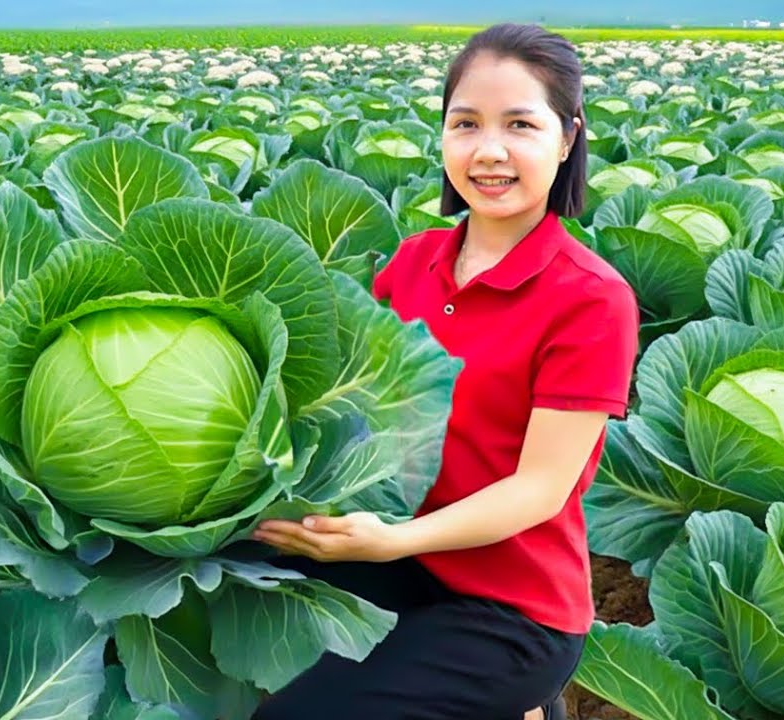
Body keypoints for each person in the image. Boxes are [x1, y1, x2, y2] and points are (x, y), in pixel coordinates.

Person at [250, 23, 640, 720]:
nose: (489, 151)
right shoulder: (415, 261)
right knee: (217, 570)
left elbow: (539, 490)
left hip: (514, 607)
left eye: (520, 124)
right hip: (404, 560)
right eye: (466, 124)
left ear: (568, 136)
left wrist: (393, 538)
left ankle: (525, 697)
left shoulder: (591, 297)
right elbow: (340, 399)